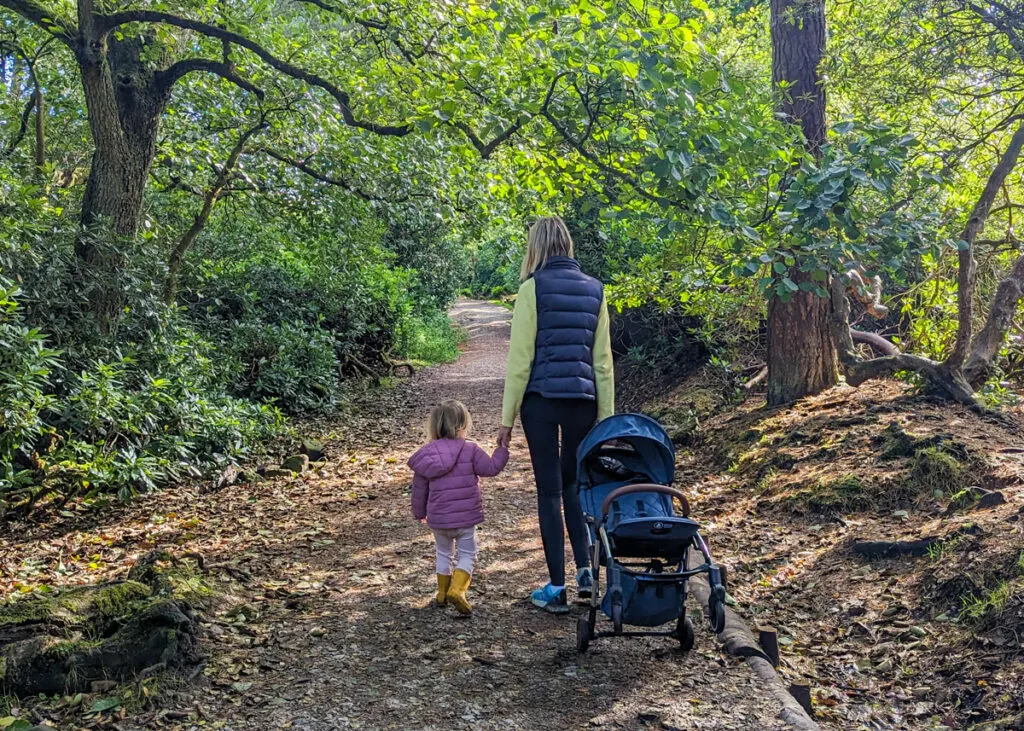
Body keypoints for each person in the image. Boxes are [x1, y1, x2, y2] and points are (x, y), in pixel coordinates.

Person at [497, 216, 614, 614]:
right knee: (574, 488)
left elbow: (520, 360)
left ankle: (556, 588)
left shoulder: (532, 289)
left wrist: (506, 419)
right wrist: (608, 419)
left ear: (537, 247)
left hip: (541, 400)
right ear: (567, 244)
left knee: (548, 491)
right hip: (582, 401)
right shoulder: (595, 290)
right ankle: (585, 573)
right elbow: (603, 363)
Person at [409, 400, 508, 615]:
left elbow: (419, 489)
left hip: (439, 519)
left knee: (443, 553)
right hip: (466, 518)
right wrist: (502, 450)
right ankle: (458, 590)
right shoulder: (470, 449)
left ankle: (442, 594)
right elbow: (490, 468)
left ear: (434, 426)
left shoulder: (427, 454)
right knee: (467, 554)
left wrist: (419, 513)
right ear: (463, 425)